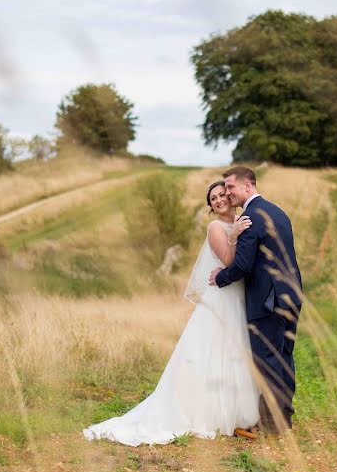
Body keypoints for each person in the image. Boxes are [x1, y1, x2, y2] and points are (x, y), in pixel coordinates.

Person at [83, 181, 259, 446]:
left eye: (223, 194)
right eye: (213, 198)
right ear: (210, 206)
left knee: (234, 351)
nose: (220, 200)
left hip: (238, 296)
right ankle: (206, 412)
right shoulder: (215, 228)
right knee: (213, 351)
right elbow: (228, 262)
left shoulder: (244, 220)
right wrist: (233, 235)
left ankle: (234, 413)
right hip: (221, 297)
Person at [209, 166, 302, 438]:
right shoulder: (277, 212)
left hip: (267, 301)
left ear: (248, 186)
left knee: (268, 362)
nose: (227, 192)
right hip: (291, 295)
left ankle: (272, 426)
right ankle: (283, 419)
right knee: (283, 358)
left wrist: (220, 278)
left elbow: (242, 266)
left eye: (231, 187)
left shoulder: (251, 217)